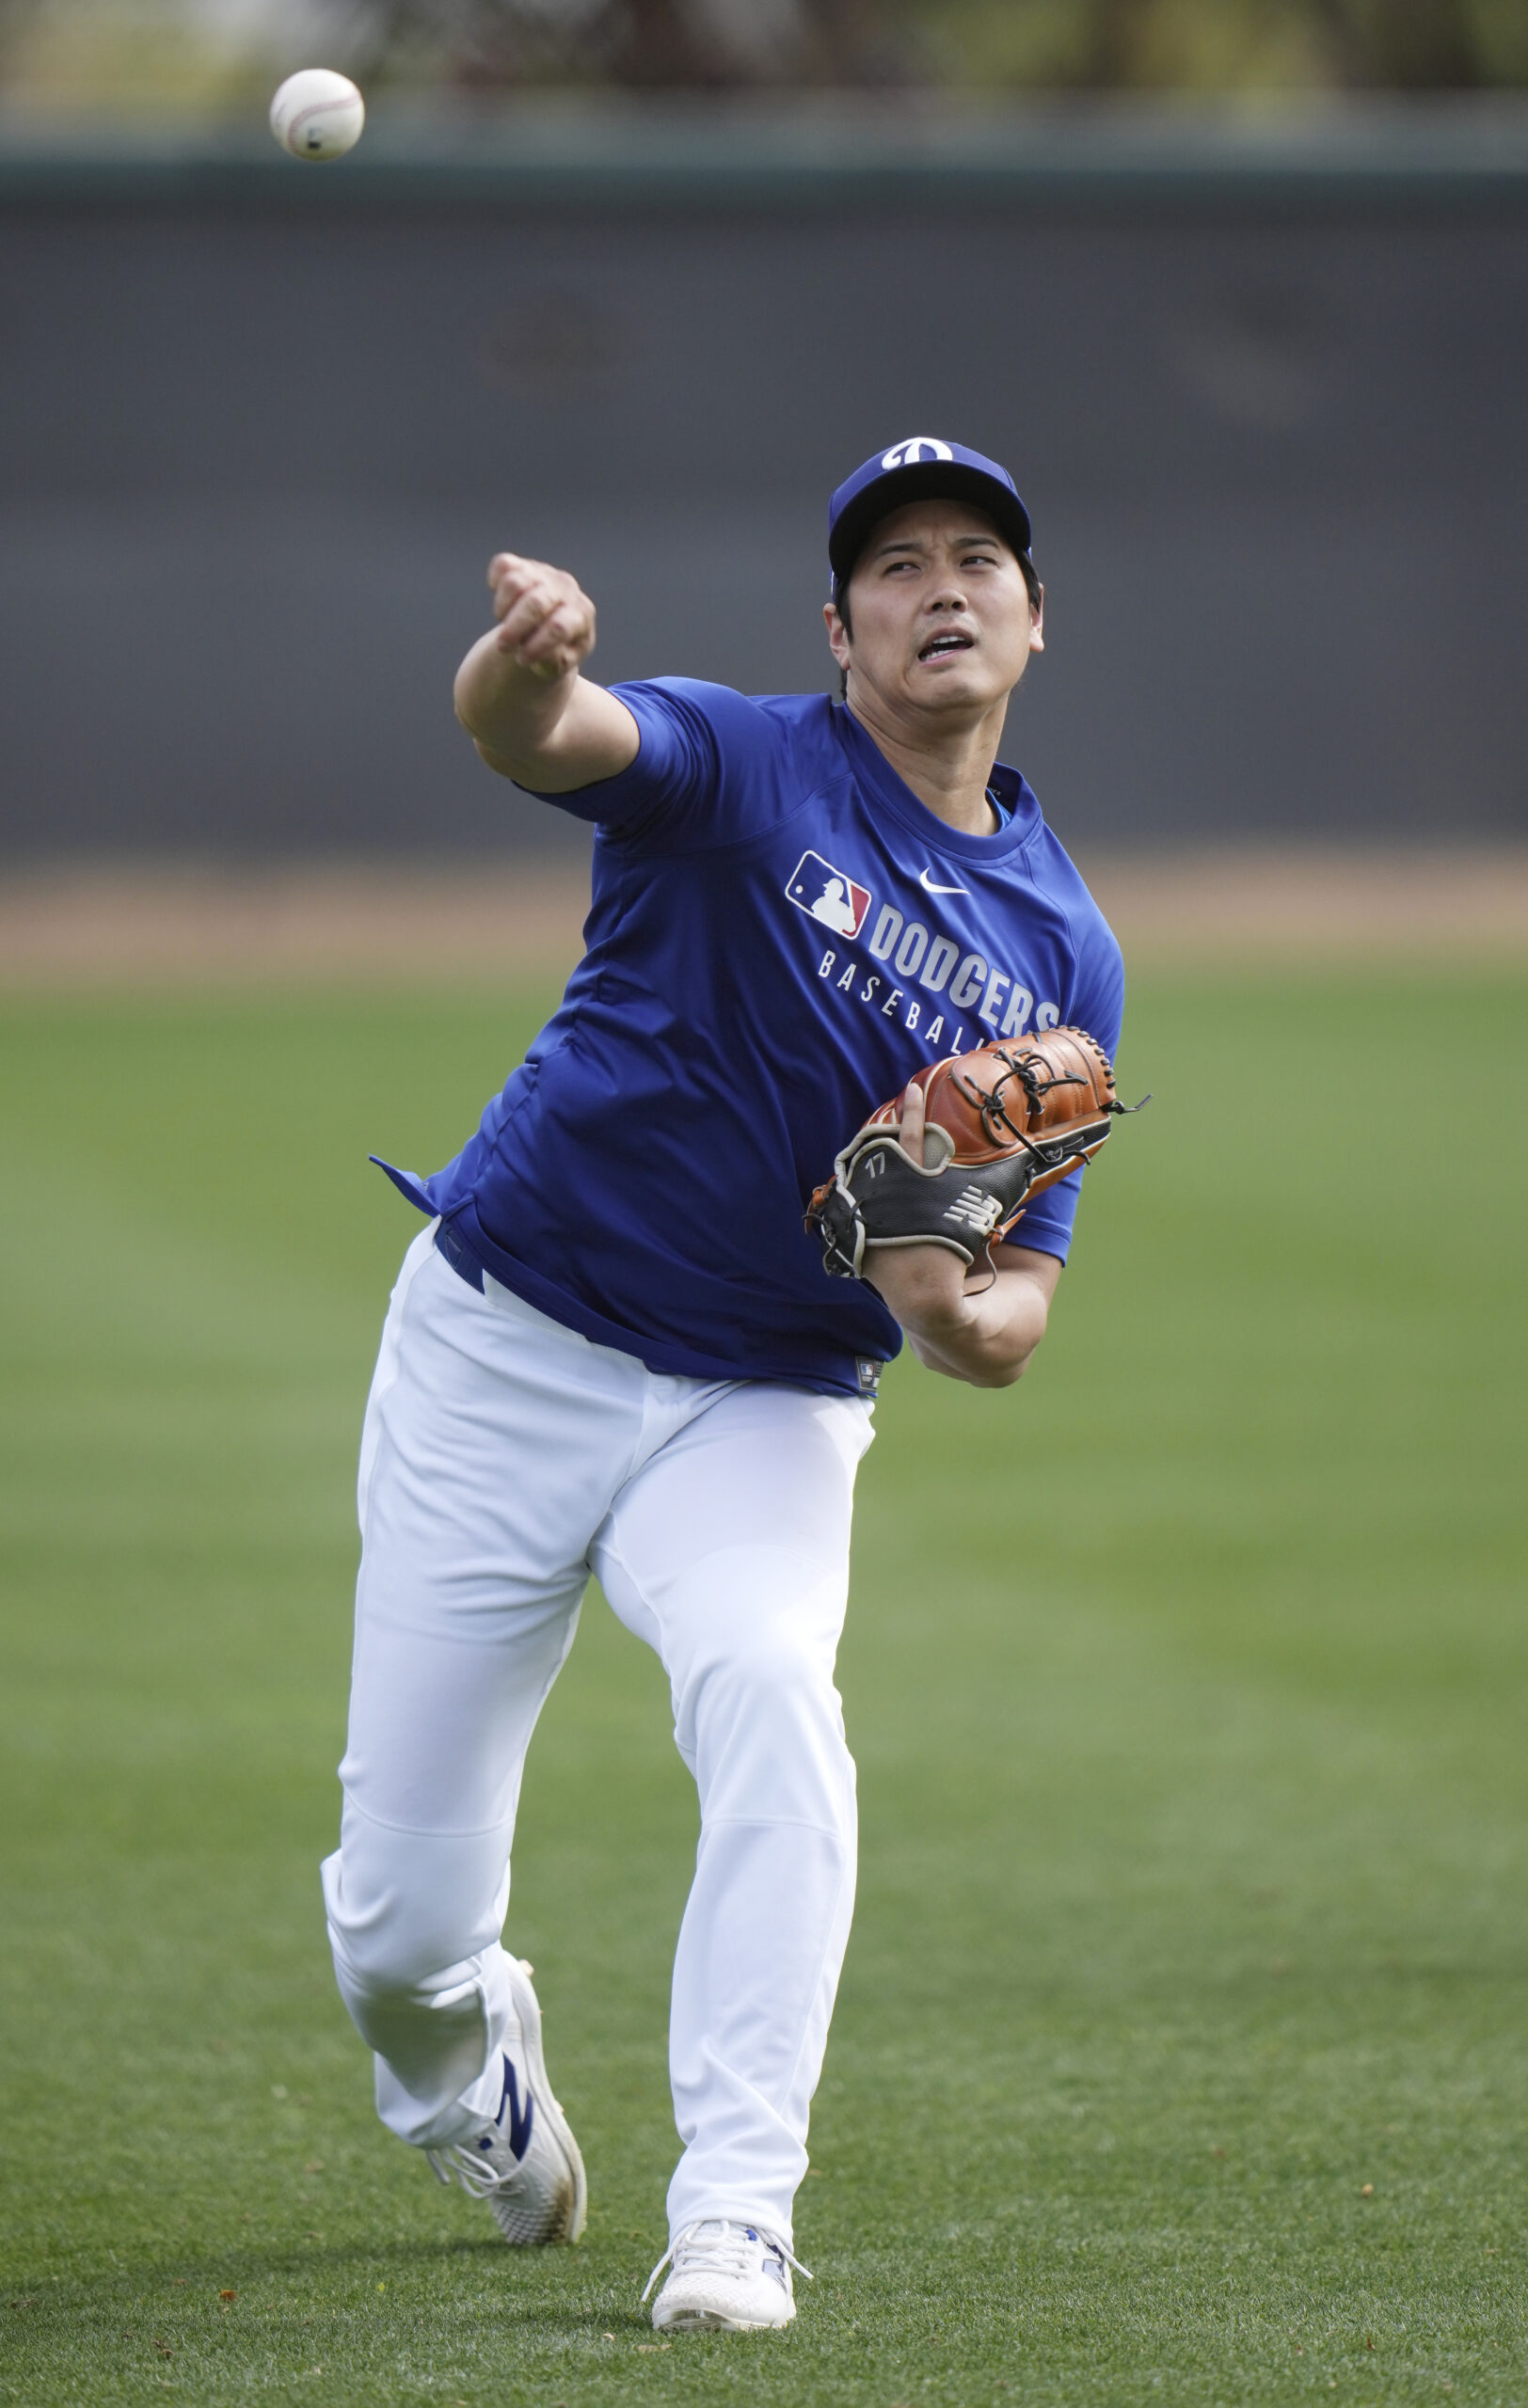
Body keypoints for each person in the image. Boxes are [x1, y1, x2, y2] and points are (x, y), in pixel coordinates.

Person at [319, 437, 1123, 2335]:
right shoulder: (746, 764)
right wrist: (523, 651)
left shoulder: (1059, 944)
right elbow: (540, 734)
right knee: (394, 1930)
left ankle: (738, 2208)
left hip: (763, 1398)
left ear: (1028, 619)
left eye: (974, 560)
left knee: (770, 1693)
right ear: (835, 628)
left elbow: (1019, 1300)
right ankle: (465, 2073)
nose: (939, 584)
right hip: (505, 1340)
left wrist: (952, 1308)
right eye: (894, 563)